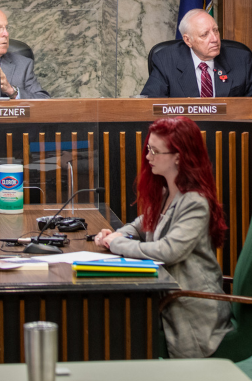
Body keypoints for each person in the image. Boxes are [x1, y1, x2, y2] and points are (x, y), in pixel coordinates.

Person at [94, 116, 232, 358]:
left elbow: (168, 251)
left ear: (178, 156)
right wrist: (116, 234)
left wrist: (117, 244)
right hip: (165, 296)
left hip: (189, 306)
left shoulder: (195, 202)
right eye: (149, 149)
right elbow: (138, 226)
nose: (148, 157)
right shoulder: (167, 190)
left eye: (155, 151)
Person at [141, 9, 252, 98]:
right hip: (184, 136)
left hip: (229, 135)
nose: (215, 39)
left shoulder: (240, 59)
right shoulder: (166, 60)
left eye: (215, 31)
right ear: (188, 40)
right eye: (205, 34)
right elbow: (151, 104)